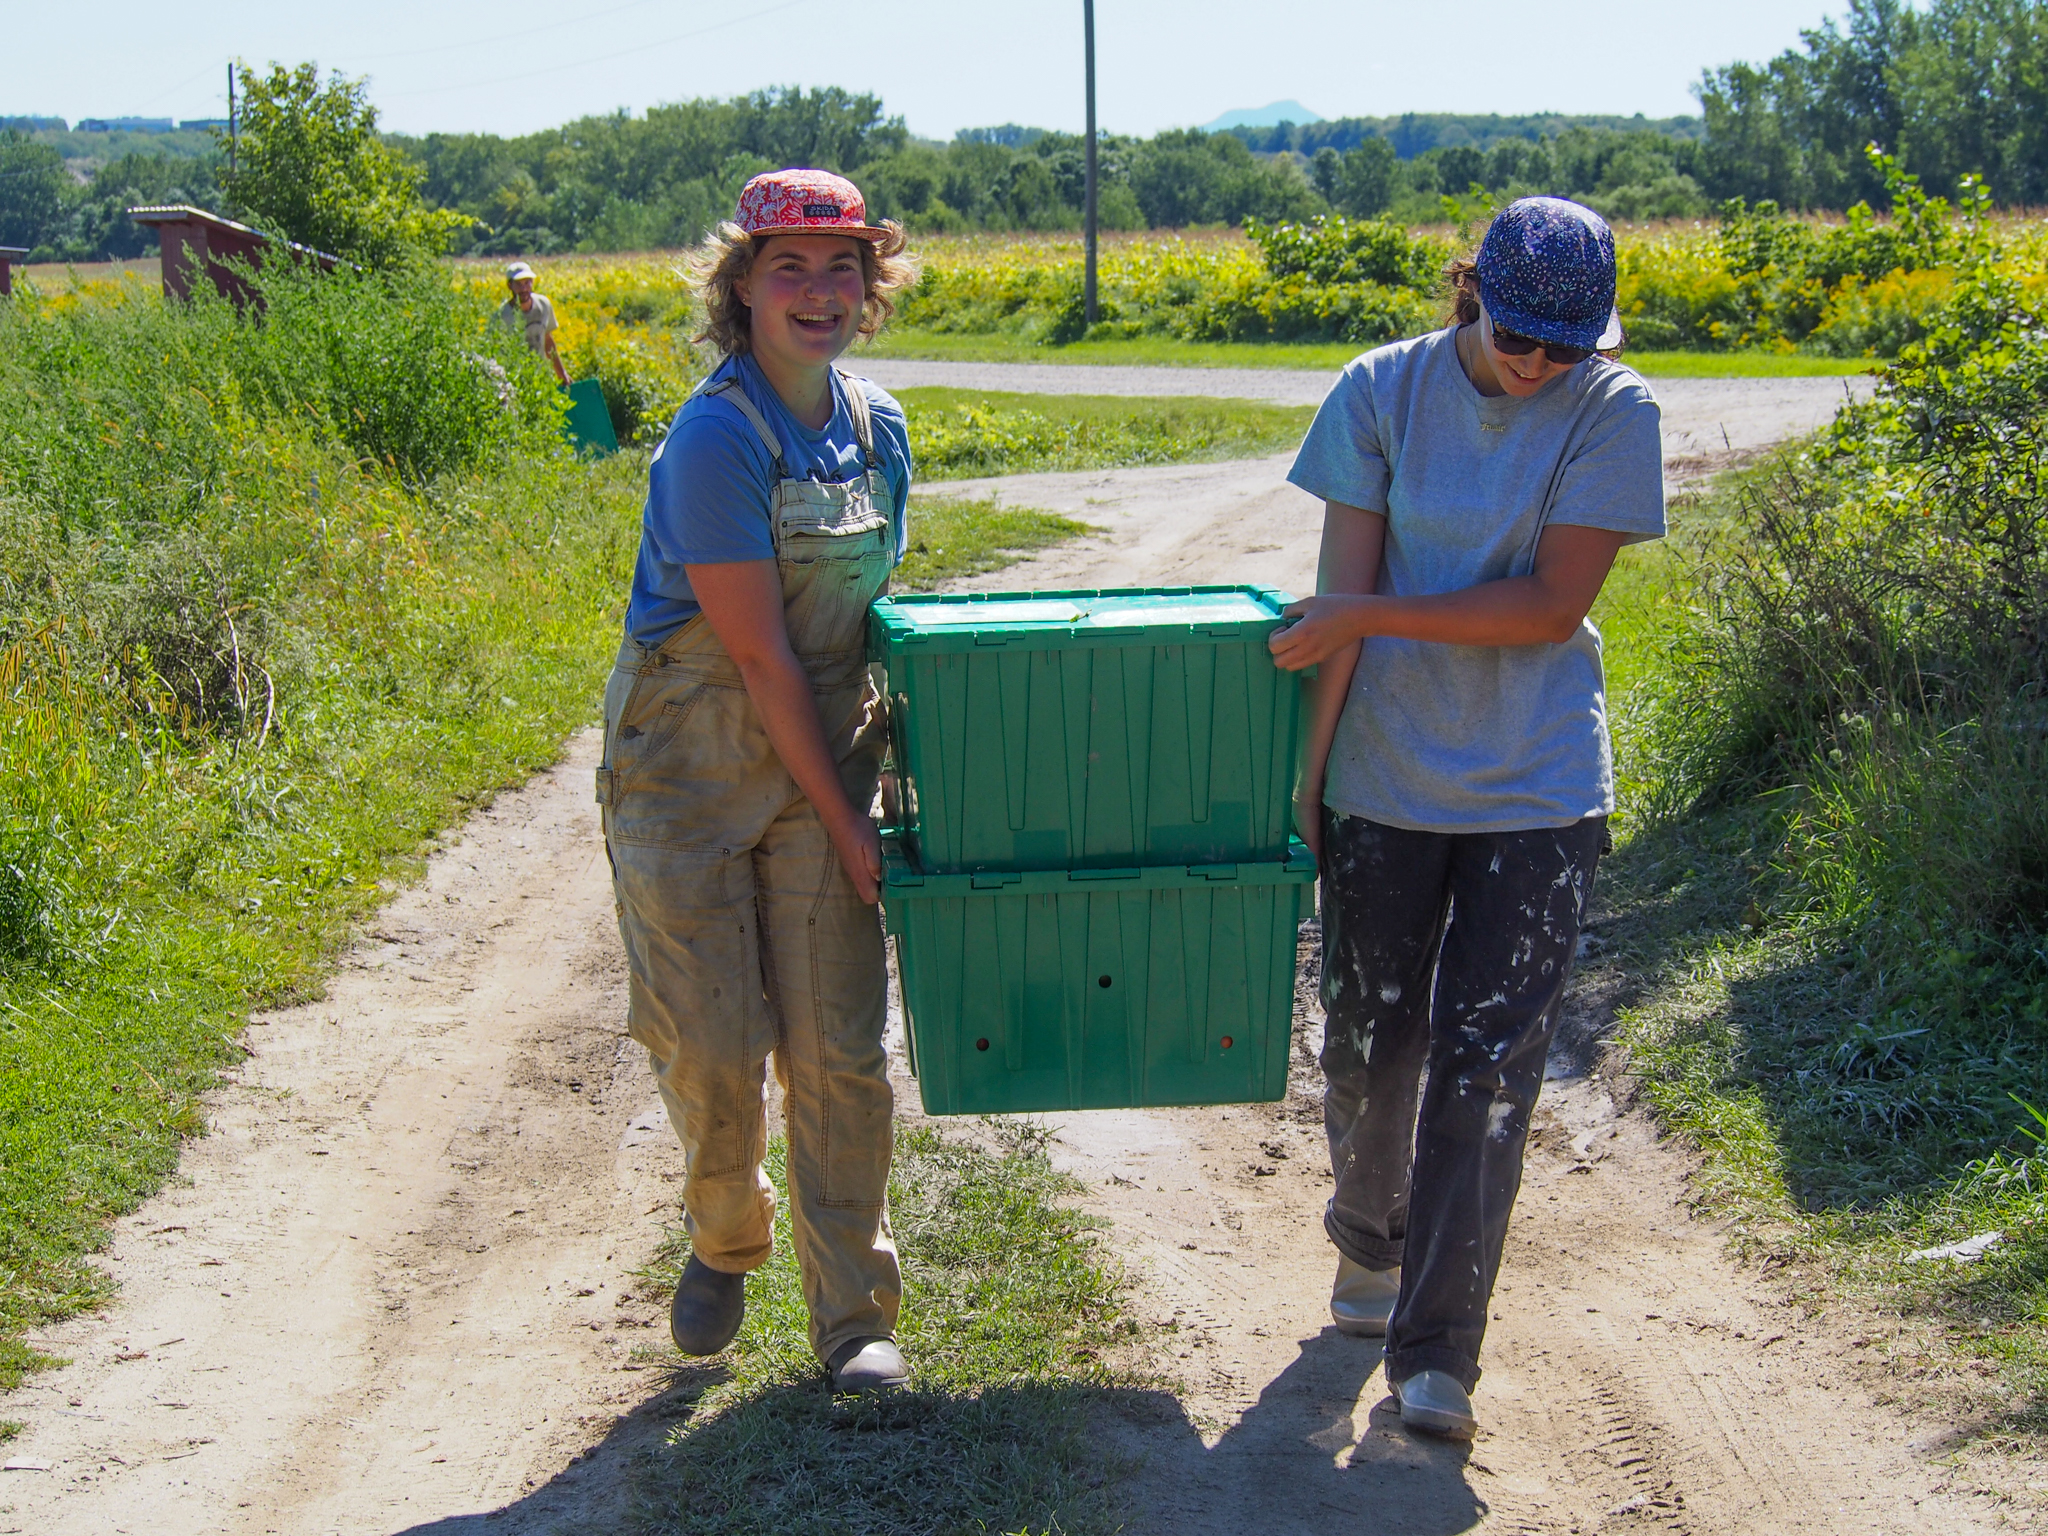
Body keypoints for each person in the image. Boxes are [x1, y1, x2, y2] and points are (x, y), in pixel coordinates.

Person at [1269, 197, 1665, 1439]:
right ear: (1468, 293)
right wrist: (1306, 786)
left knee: (1487, 1070)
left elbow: (1549, 608)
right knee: (1368, 1041)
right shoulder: (1380, 391)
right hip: (1383, 778)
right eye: (1516, 336)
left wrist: (1372, 618)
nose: (1537, 363)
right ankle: (1366, 1242)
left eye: (1564, 343)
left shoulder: (1615, 409)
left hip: (1536, 788)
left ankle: (1439, 1351)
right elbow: (1339, 595)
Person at [597, 169, 918, 1393]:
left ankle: (853, 1324)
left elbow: (869, 616)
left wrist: (901, 768)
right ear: (741, 287)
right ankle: (726, 1233)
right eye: (790, 269)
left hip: (822, 747)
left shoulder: (878, 427)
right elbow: (756, 650)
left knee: (839, 1051)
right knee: (713, 1050)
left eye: (842, 268)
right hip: (684, 766)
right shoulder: (716, 436)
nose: (820, 292)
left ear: (870, 286)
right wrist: (847, 821)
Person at [496, 260, 570, 385]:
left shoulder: (543, 305)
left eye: (527, 282)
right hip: (514, 381)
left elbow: (548, 341)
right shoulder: (502, 316)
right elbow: (496, 353)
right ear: (510, 285)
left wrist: (562, 373)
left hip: (541, 377)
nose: (524, 288)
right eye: (519, 284)